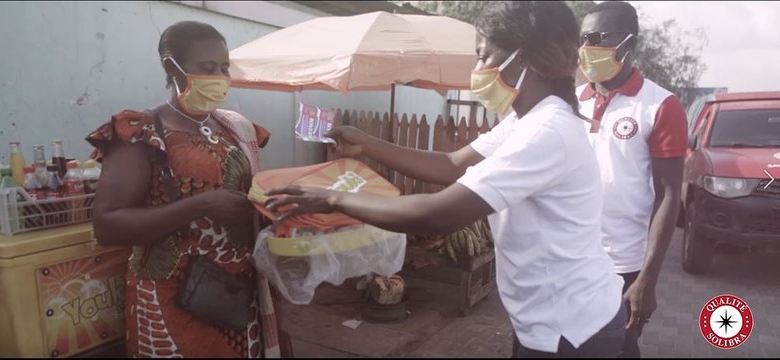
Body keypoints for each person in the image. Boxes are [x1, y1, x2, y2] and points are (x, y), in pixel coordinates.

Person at [265, 2, 625, 357]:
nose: (478, 70)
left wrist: (333, 199)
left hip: (572, 328)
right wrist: (368, 143)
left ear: (530, 58)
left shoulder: (547, 132)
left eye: (485, 57)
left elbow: (439, 213)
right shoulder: (525, 121)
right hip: (547, 318)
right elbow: (451, 164)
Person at [86, 21, 292, 358]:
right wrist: (199, 206)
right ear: (172, 67)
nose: (220, 77)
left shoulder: (234, 128)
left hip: (237, 293)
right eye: (208, 68)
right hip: (173, 296)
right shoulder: (142, 132)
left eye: (224, 67)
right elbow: (107, 226)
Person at [576, 2, 688, 358]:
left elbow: (669, 195)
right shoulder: (575, 97)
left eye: (600, 38)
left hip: (622, 266)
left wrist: (648, 280)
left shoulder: (660, 105)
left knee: (618, 349)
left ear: (629, 44)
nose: (588, 47)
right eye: (584, 38)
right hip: (571, 258)